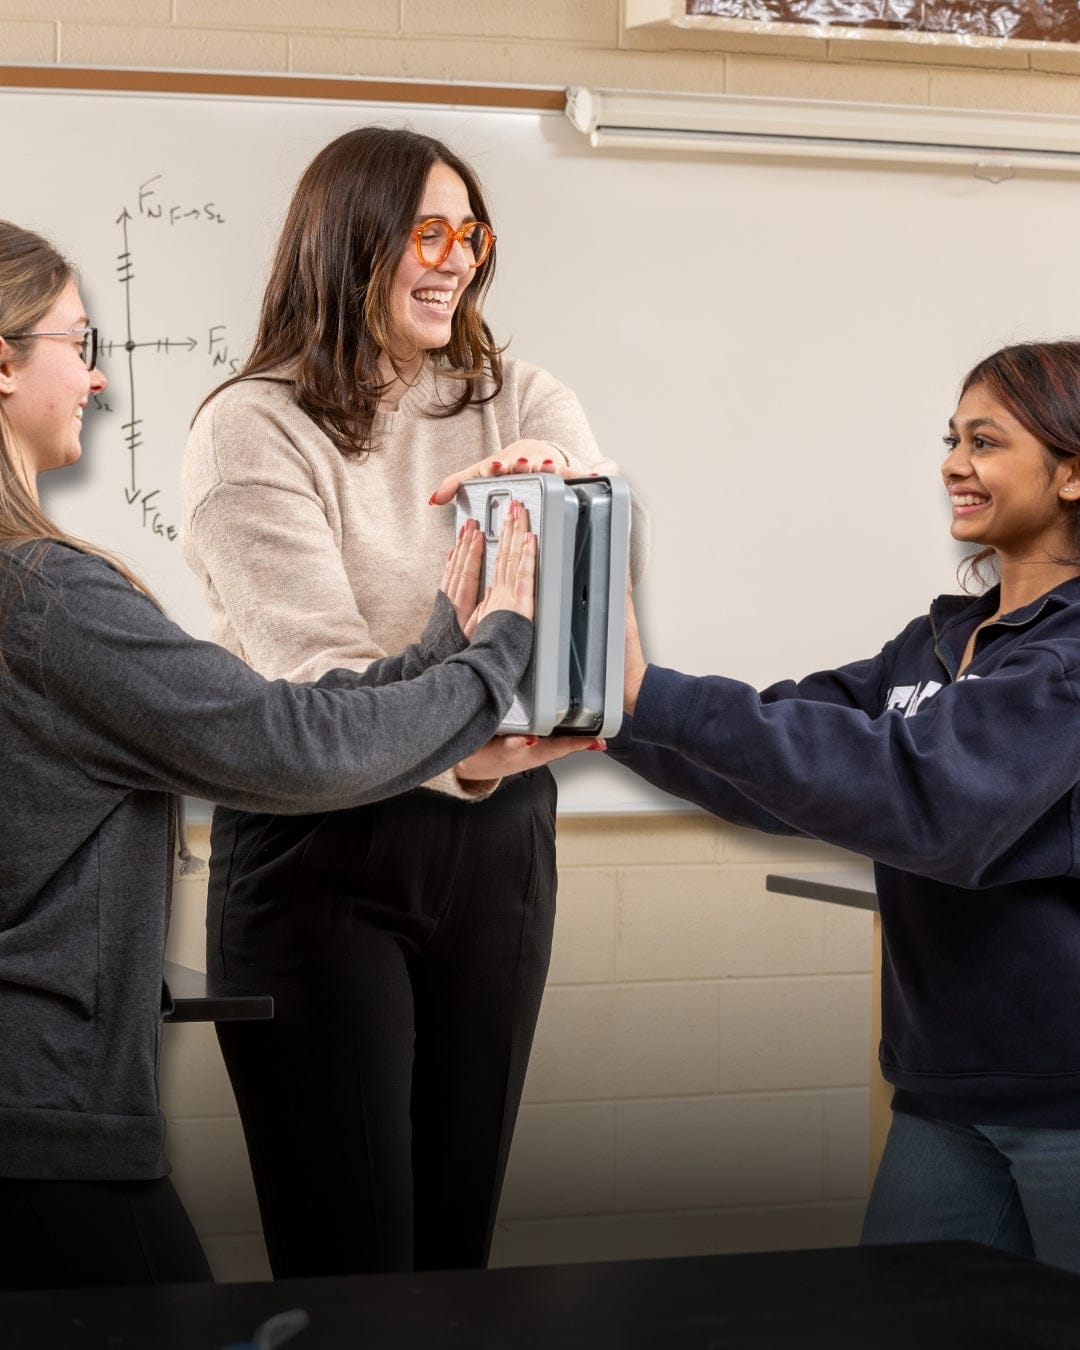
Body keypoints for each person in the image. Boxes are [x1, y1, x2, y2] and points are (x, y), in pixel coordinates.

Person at [0, 217, 545, 1291]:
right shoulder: (45, 599)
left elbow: (262, 715)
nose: (100, 383)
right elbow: (286, 742)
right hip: (38, 1122)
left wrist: (439, 641)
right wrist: (494, 660)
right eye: (78, 346)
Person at [181, 126, 644, 1277]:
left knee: (453, 1252)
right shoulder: (250, 425)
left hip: (499, 846)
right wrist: (491, 719)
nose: (456, 262)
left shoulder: (527, 400)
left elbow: (589, 644)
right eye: (425, 234)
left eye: (470, 235)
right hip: (319, 850)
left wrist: (564, 528)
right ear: (348, 245)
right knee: (352, 1260)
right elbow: (325, 696)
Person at [607, 339, 1080, 1273]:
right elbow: (791, 759)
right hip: (943, 1093)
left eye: (986, 443)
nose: (953, 464)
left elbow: (931, 800)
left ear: (1071, 473)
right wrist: (603, 719)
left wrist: (647, 695)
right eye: (952, 439)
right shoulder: (937, 643)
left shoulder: (1065, 661)